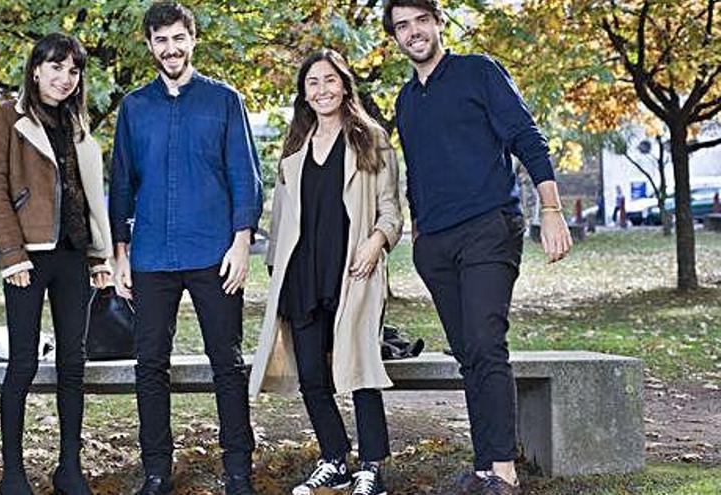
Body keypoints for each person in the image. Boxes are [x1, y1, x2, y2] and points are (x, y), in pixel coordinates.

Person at [383, 1, 573, 494]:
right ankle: (486, 465)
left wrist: (549, 211)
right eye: (402, 26)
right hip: (437, 245)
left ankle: (504, 473)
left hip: (489, 228)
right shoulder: (406, 100)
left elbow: (528, 138)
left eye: (421, 20)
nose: (413, 32)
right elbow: (418, 174)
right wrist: (421, 237)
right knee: (469, 353)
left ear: (438, 23)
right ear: (396, 37)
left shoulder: (477, 71)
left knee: (487, 345)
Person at [108, 2, 262, 494]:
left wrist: (241, 244)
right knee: (149, 362)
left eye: (178, 38)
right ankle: (156, 470)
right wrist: (121, 253)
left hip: (215, 253)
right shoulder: (134, 107)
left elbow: (246, 176)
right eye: (161, 40)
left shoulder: (224, 100)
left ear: (192, 40)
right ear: (150, 45)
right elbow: (122, 185)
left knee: (227, 360)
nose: (170, 48)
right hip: (151, 255)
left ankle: (238, 468)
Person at [249, 49, 403, 495]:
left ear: (345, 85)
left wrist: (377, 241)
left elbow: (392, 210)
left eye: (330, 81)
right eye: (312, 83)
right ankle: (334, 458)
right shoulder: (294, 150)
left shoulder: (371, 140)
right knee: (313, 376)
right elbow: (280, 220)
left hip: (353, 273)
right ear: (303, 93)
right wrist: (276, 272)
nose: (322, 90)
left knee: (360, 370)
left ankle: (371, 465)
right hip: (302, 277)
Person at [0, 33, 113, 495]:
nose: (64, 78)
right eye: (56, 68)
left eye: (73, 71)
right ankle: (13, 474)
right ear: (36, 69)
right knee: (23, 363)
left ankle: (68, 469)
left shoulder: (78, 125)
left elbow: (87, 196)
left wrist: (99, 256)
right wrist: (11, 256)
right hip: (28, 259)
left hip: (73, 256)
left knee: (73, 363)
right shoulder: (3, 119)